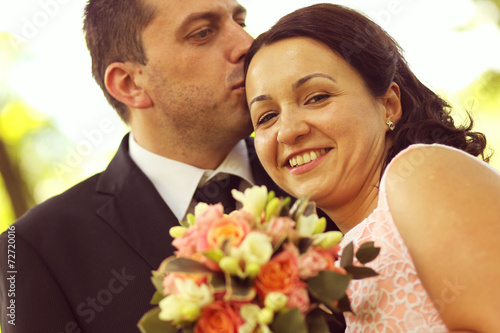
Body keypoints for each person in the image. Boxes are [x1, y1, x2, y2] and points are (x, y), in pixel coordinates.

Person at [0, 0, 320, 332]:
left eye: (240, 21)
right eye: (202, 32)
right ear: (129, 84)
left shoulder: (323, 164)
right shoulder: (37, 248)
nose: (246, 44)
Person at [244, 3, 500, 332]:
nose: (288, 130)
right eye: (266, 117)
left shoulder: (421, 173)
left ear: (389, 105)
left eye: (317, 97)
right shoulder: (328, 272)